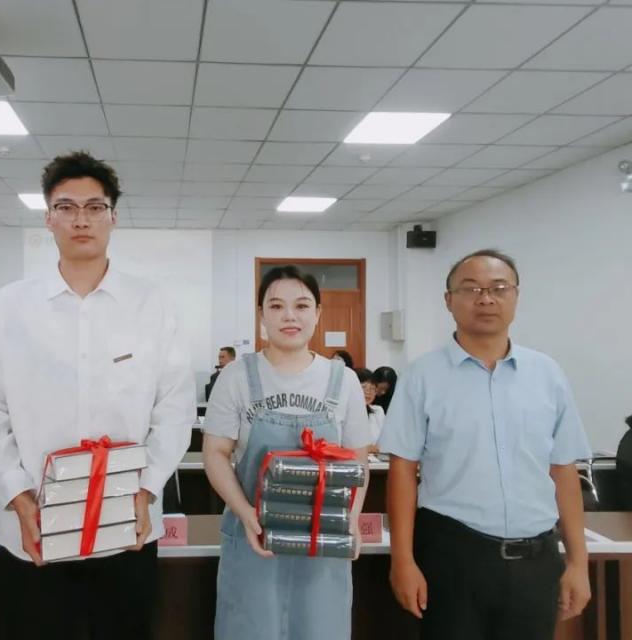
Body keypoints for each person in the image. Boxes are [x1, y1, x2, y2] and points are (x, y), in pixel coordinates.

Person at [0, 151, 195, 640]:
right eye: (66, 207)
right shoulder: (11, 307)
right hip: (35, 530)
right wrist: (18, 497)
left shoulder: (151, 304)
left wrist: (146, 488)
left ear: (114, 216)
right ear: (48, 217)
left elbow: (175, 410)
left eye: (95, 207)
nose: (81, 220)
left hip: (127, 527)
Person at [379, 249, 592, 640]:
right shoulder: (422, 376)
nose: (486, 298)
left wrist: (578, 563)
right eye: (471, 288)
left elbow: (563, 470)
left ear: (516, 296)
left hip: (536, 560)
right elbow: (402, 471)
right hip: (452, 556)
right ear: (449, 300)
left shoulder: (547, 374)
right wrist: (403, 560)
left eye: (498, 288)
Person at [202, 265, 371, 640]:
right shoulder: (236, 377)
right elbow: (214, 453)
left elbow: (358, 461)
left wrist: (351, 519)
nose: (289, 316)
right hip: (254, 538)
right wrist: (246, 514)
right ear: (262, 315)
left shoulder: (343, 380)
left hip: (323, 541)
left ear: (318, 313)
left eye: (302, 305)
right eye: (276, 306)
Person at [355, 367, 385, 451]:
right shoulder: (342, 413)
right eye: (364, 387)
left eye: (372, 388)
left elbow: (387, 439)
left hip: (377, 457)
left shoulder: (378, 411)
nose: (368, 392)